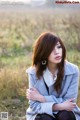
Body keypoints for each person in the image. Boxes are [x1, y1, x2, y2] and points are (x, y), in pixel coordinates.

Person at [26, 32, 80, 120]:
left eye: (59, 47)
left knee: (66, 115)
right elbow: (34, 105)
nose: (57, 52)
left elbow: (70, 103)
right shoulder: (33, 72)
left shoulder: (73, 70)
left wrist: (42, 98)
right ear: (43, 52)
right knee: (44, 118)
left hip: (66, 113)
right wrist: (59, 106)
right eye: (51, 49)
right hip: (41, 113)